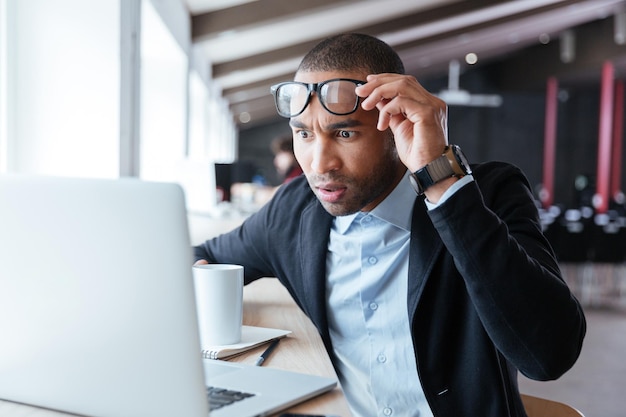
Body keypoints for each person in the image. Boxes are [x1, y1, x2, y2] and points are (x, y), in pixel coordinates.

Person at [194, 33, 586, 417]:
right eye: (304, 134)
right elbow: (205, 257)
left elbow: (549, 356)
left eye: (344, 133)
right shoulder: (292, 212)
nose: (318, 163)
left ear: (396, 126)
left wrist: (443, 182)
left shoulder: (487, 194)